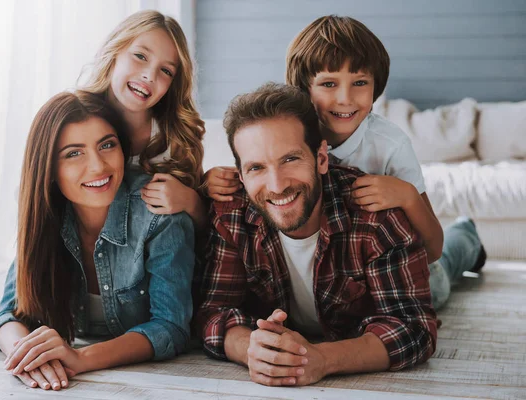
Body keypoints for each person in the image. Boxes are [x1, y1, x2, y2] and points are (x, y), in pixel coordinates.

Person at [204, 15, 486, 309]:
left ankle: (467, 235)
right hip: (342, 284)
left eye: (360, 82)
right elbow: (256, 171)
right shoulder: (287, 132)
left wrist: (407, 195)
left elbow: (434, 248)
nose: (345, 98)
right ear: (304, 88)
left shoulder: (390, 146)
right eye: (328, 83)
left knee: (445, 271)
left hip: (402, 272)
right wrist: (212, 180)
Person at [196, 83, 437, 387]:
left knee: (446, 271)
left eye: (290, 159)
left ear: (321, 158)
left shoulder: (376, 214)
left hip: (424, 272)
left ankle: (464, 237)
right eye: (257, 167)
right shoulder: (230, 215)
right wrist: (250, 350)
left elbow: (415, 328)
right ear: (241, 176)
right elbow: (211, 312)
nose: (277, 185)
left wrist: (322, 359)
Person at [0, 91, 195, 391]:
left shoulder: (159, 214)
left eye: (107, 145)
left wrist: (81, 357)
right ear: (48, 169)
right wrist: (28, 355)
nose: (98, 166)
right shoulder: (44, 215)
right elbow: (6, 316)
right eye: (74, 153)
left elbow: (171, 327)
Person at [79, 10, 207, 229]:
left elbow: (204, 232)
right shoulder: (74, 119)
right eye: (140, 56)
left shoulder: (177, 138)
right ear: (115, 51)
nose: (149, 75)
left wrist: (190, 201)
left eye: (165, 70)